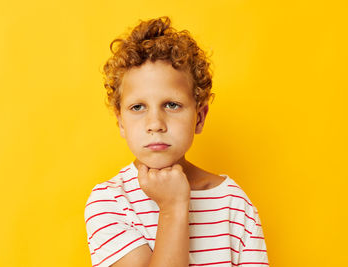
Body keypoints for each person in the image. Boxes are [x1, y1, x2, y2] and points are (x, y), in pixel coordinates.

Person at [84, 16, 269, 267]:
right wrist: (172, 207)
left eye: (171, 105)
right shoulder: (111, 201)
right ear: (121, 123)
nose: (155, 123)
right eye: (138, 107)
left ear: (199, 118)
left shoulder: (234, 204)